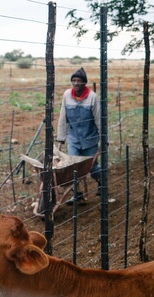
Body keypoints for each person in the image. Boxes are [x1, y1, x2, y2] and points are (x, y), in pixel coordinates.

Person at [56, 67, 102, 201]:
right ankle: (77, 194)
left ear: (84, 83)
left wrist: (105, 139)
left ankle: (101, 183)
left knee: (92, 166)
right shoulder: (66, 95)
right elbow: (63, 117)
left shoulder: (92, 97)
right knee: (73, 166)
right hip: (74, 139)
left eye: (79, 81)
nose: (76, 83)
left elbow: (99, 119)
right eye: (74, 80)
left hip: (90, 139)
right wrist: (61, 138)